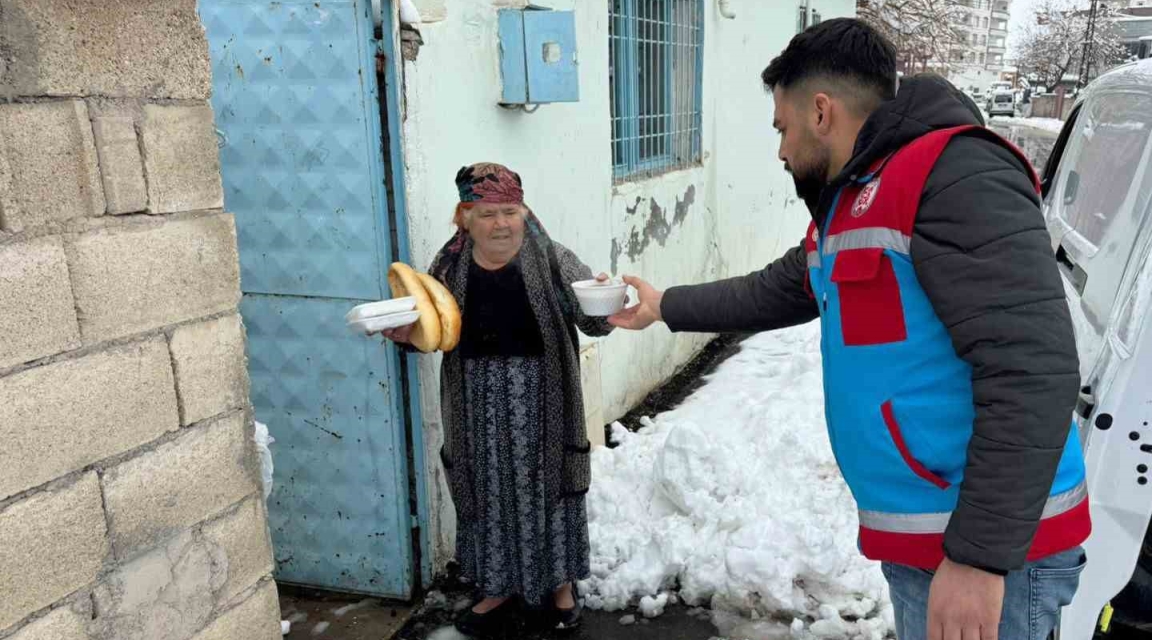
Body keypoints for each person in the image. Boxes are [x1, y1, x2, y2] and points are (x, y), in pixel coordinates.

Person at [608, 19, 1091, 640]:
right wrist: (663, 305)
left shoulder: (956, 172)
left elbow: (1033, 367)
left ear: (820, 111)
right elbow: (778, 289)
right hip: (933, 540)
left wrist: (979, 556)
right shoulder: (857, 195)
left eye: (781, 128)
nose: (780, 150)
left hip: (989, 550)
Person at [383, 162, 613, 636]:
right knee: (488, 491)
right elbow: (427, 332)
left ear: (524, 213)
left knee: (550, 488)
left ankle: (561, 586)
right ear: (464, 217)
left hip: (545, 397)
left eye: (510, 211)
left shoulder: (552, 259)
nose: (501, 223)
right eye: (487, 214)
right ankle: (497, 585)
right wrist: (403, 333)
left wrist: (605, 299)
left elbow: (593, 321)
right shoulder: (447, 267)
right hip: (476, 401)